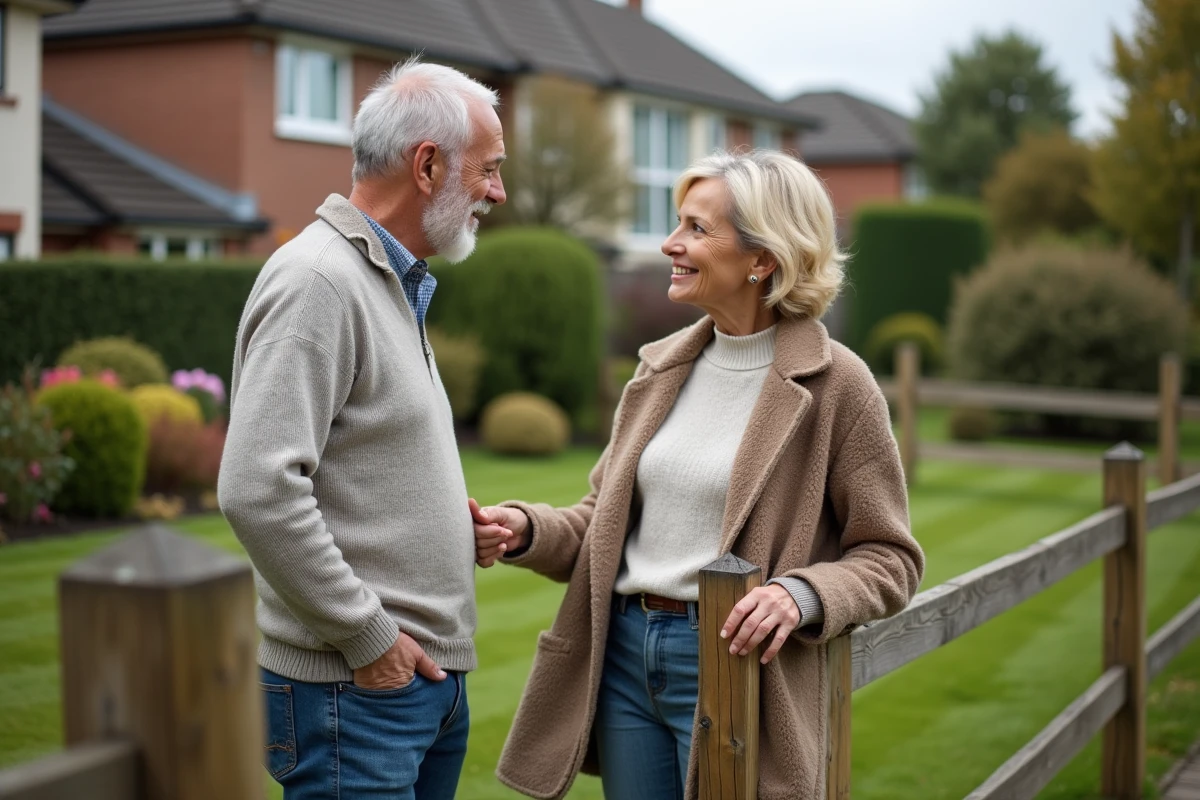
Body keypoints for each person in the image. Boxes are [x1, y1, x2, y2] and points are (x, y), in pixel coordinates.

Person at [472, 150, 924, 800]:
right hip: (624, 655)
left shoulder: (839, 385)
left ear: (762, 258)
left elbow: (890, 558)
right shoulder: (660, 368)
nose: (669, 243)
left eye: (695, 228)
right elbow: (599, 522)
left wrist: (801, 595)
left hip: (733, 665)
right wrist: (522, 530)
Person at [218, 56, 506, 800]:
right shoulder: (320, 281)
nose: (497, 193)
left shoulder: (385, 278)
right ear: (428, 164)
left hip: (407, 690)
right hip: (357, 692)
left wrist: (445, 524)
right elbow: (258, 489)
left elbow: (361, 456)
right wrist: (369, 640)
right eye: (489, 170)